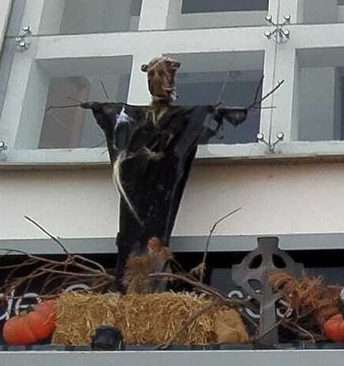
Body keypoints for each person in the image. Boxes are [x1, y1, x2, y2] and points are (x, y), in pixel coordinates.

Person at [82, 57, 250, 284]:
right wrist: (102, 110)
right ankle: (129, 275)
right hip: (138, 184)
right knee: (132, 230)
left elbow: (201, 117)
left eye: (161, 78)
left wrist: (221, 114)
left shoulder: (181, 117)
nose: (157, 83)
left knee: (157, 229)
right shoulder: (137, 116)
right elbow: (121, 118)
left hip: (164, 183)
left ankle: (149, 275)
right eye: (152, 77)